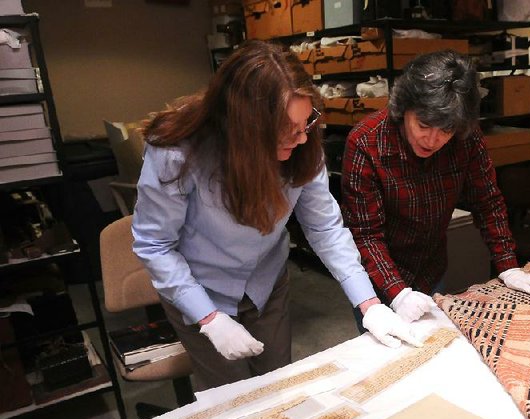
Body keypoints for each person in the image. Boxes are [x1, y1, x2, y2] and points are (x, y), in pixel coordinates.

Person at [132, 40, 421, 391]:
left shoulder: (303, 144)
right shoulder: (177, 151)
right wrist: (209, 319)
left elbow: (325, 228)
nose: (300, 138)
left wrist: (369, 303)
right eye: (287, 129)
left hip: (264, 283)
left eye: (306, 123)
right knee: (231, 398)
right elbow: (154, 244)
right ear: (243, 128)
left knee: (277, 386)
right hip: (200, 287)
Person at [341, 50, 530, 325]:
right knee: (387, 356)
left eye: (445, 131)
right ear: (403, 109)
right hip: (375, 279)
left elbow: (488, 202)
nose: (433, 140)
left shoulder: (465, 137)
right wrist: (397, 293)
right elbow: (365, 234)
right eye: (423, 125)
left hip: (431, 266)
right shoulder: (366, 143)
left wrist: (508, 266)